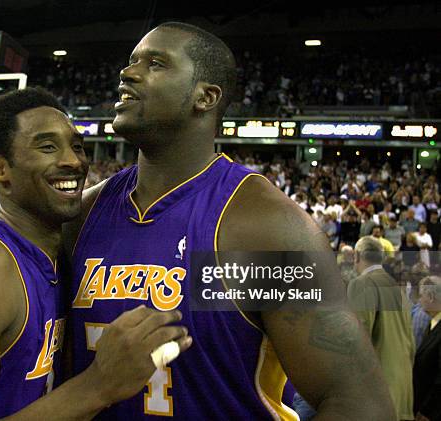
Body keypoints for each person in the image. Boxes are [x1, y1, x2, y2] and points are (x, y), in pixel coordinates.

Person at [63, 22, 394, 419]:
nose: (128, 73)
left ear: (205, 97)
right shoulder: (83, 215)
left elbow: (358, 403)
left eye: (155, 63)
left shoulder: (257, 227)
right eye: (132, 61)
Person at [0, 87, 191, 420]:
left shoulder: (57, 260)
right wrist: (97, 385)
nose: (73, 161)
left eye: (77, 146)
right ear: (0, 170)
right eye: (47, 147)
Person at [348, 236, 415, 420]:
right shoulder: (398, 289)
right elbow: (411, 342)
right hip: (403, 392)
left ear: (357, 256)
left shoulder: (361, 283)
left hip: (376, 396)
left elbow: (359, 339)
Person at [413, 276, 441, 421]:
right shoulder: (432, 325)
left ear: (430, 297)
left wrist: (427, 411)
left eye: (421, 295)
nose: (419, 300)